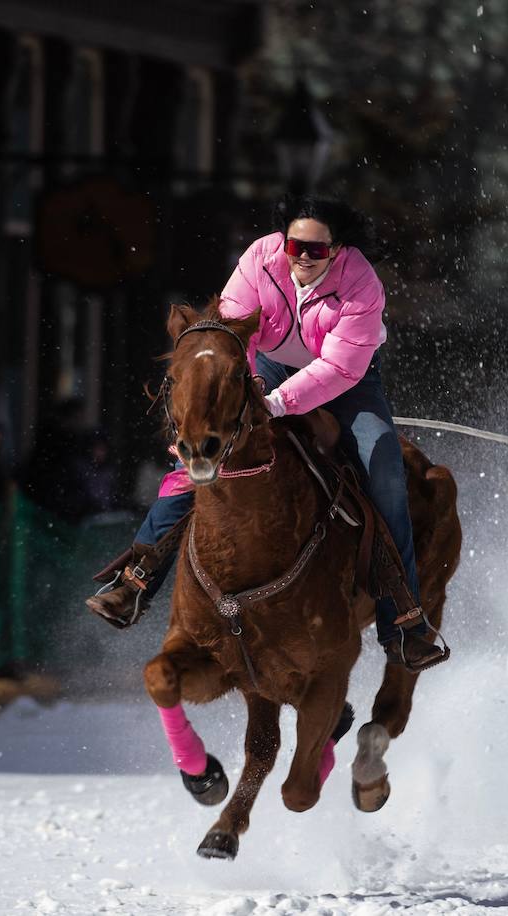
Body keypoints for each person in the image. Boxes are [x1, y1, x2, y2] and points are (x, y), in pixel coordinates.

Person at [85, 195, 447, 671]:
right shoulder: (260, 258)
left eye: (316, 250)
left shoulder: (362, 283)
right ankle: (135, 581)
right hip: (267, 368)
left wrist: (276, 403)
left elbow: (339, 366)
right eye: (295, 245)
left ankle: (402, 622)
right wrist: (245, 392)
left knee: (383, 467)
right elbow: (237, 333)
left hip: (346, 383)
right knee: (198, 455)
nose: (301, 256)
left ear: (336, 250)